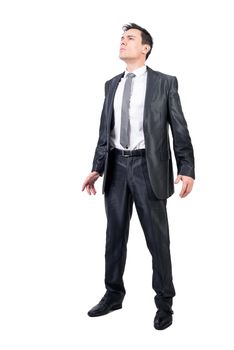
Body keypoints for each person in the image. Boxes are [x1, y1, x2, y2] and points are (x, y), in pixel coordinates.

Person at [82, 23, 195, 330]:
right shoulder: (111, 84)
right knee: (114, 236)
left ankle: (164, 303)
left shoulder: (164, 83)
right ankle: (113, 294)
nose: (123, 42)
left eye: (129, 38)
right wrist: (98, 167)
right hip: (117, 167)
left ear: (145, 47)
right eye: (121, 38)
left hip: (149, 168)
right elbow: (106, 131)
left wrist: (186, 168)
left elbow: (179, 128)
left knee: (157, 240)